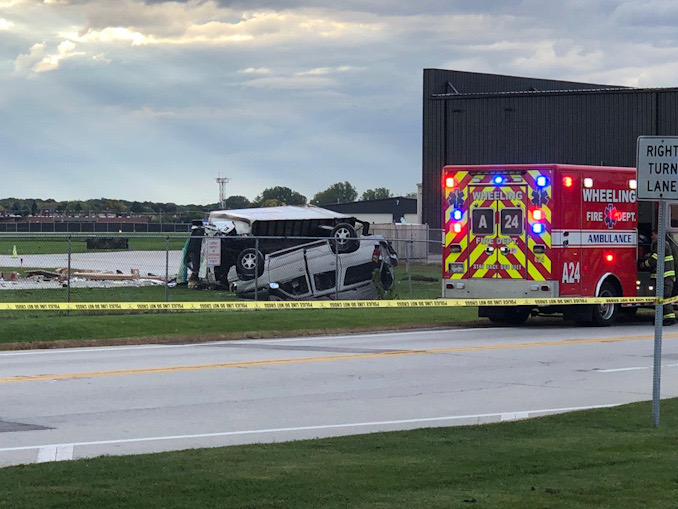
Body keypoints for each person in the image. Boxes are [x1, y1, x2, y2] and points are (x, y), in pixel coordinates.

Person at [642, 230, 676, 325]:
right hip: (662, 278)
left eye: (653, 235)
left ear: (657, 234)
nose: (651, 237)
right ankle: (661, 318)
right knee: (660, 299)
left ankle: (670, 318)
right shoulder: (660, 245)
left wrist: (644, 264)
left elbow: (655, 259)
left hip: (666, 277)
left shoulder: (662, 244)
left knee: (664, 298)